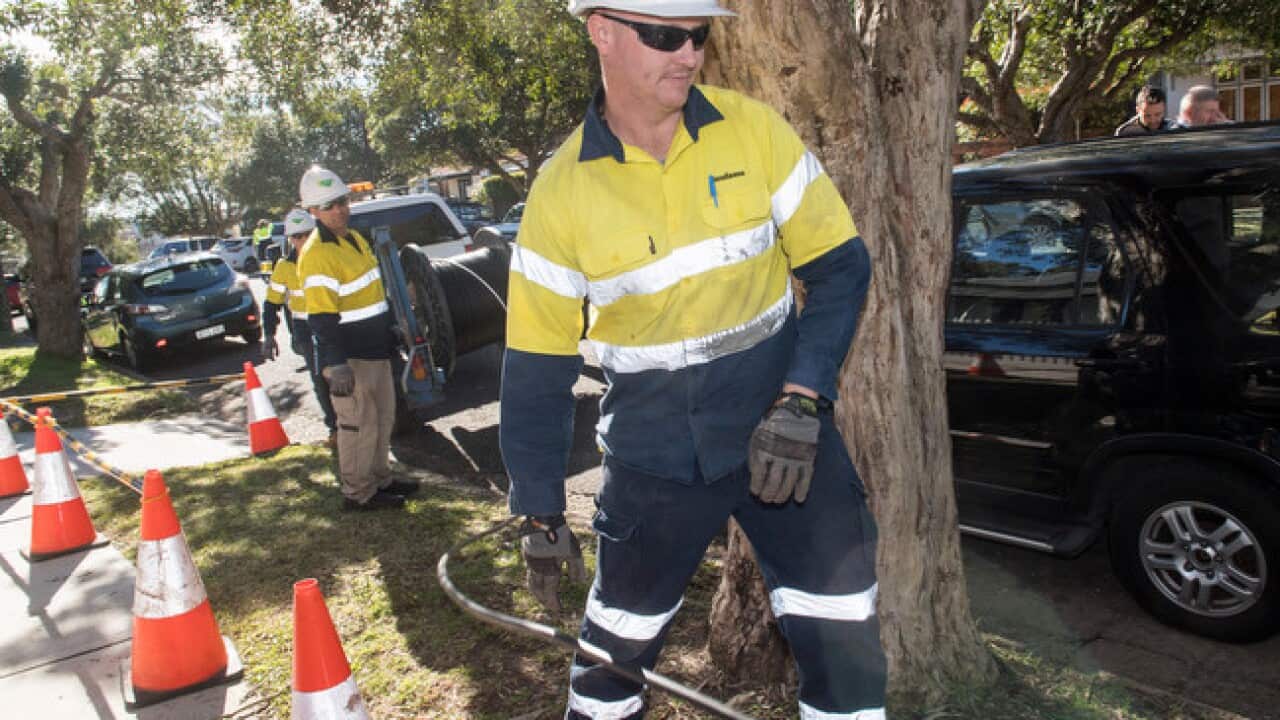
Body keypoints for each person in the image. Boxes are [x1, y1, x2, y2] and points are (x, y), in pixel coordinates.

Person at [498, 1, 884, 717]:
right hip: (654, 458)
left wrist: (803, 398)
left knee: (846, 639)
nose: (690, 54)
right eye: (666, 36)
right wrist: (541, 512)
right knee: (611, 661)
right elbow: (535, 373)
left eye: (699, 35)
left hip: (784, 437)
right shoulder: (559, 194)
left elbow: (842, 269)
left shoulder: (754, 132)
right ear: (602, 33)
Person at [296, 165, 419, 511]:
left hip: (375, 349)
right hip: (350, 359)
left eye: (343, 201)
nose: (340, 209)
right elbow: (320, 317)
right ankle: (358, 493)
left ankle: (381, 478)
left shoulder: (354, 238)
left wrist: (391, 328)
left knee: (382, 419)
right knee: (357, 426)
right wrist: (335, 364)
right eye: (330, 205)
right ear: (313, 212)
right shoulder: (318, 254)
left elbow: (371, 293)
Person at [261, 208, 338, 448]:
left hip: (335, 323)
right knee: (320, 381)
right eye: (296, 236)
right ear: (290, 239)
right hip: (306, 329)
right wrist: (269, 335)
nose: (302, 241)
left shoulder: (330, 256)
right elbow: (271, 303)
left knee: (345, 376)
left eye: (306, 234)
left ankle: (356, 427)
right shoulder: (284, 267)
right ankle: (336, 430)